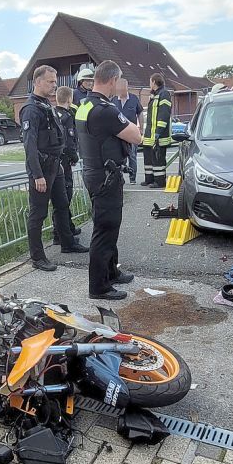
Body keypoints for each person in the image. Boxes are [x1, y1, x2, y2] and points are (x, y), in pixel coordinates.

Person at [76, 60, 143, 300]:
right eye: (118, 81)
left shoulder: (84, 105)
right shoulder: (105, 110)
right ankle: (99, 287)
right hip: (106, 177)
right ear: (113, 80)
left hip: (95, 173)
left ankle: (111, 272)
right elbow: (136, 137)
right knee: (105, 230)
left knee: (108, 227)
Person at [20, 65, 88, 272]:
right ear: (38, 82)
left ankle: (67, 243)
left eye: (55, 82)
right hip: (42, 168)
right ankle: (38, 257)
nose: (54, 85)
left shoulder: (46, 105)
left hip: (56, 165)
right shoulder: (31, 109)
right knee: (38, 214)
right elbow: (29, 145)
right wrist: (37, 175)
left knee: (62, 204)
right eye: (50, 81)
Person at [53, 86, 82, 242]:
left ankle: (66, 227)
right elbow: (69, 141)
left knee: (60, 198)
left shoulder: (52, 113)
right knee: (65, 198)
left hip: (56, 161)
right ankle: (60, 234)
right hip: (65, 161)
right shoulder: (67, 116)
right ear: (70, 99)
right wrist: (74, 157)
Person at [141, 73, 172, 188]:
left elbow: (164, 114)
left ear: (154, 82)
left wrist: (158, 131)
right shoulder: (155, 95)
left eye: (150, 82)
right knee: (148, 158)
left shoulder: (164, 94)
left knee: (158, 159)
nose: (149, 84)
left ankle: (159, 182)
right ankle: (149, 179)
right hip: (150, 135)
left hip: (158, 135)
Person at [112, 78, 143, 184]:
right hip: (119, 134)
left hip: (131, 133)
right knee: (120, 156)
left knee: (132, 156)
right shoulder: (114, 100)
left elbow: (140, 113)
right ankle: (120, 177)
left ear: (127, 87)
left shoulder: (134, 99)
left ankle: (132, 178)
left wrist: (141, 128)